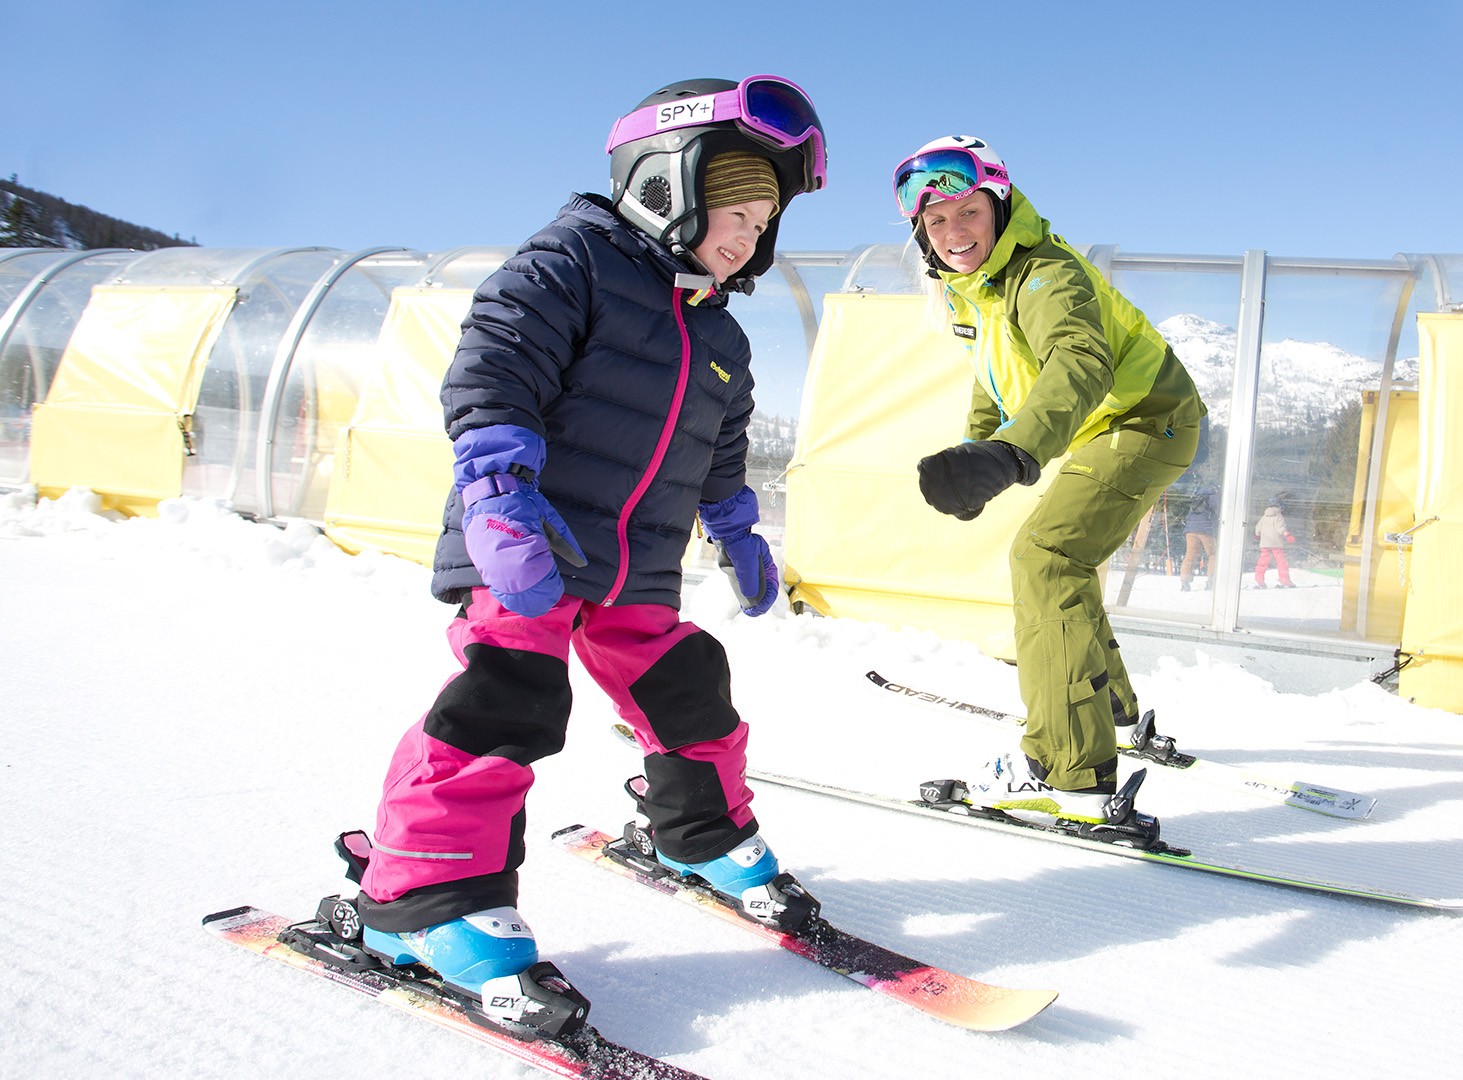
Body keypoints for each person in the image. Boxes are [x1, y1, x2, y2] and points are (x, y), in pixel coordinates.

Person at [324, 75, 828, 1032]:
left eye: (766, 218)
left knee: (690, 687)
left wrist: (734, 526)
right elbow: (497, 363)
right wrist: (496, 488)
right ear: (665, 182)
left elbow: (722, 444)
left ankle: (699, 835)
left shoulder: (719, 331)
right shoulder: (573, 263)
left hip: (638, 563)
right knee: (505, 704)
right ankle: (420, 900)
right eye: (737, 205)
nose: (750, 234)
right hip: (535, 543)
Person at [894, 136, 1207, 825]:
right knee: (1065, 556)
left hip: (1146, 415)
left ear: (999, 206)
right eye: (935, 222)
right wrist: (978, 457)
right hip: (1114, 422)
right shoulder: (973, 291)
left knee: (1046, 557)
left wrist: (1011, 456)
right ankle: (1113, 715)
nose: (952, 233)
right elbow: (994, 378)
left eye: (967, 212)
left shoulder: (1043, 272)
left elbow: (1078, 363)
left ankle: (1070, 771)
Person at [1180, 485, 1218, 591]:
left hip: (1190, 531)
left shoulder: (1197, 498)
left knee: (1190, 555)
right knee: (1213, 554)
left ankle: (1185, 581)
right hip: (1206, 530)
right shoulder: (1213, 498)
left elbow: (1189, 516)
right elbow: (1219, 513)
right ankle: (1211, 580)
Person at [1253, 496, 1294, 588]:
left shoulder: (1264, 517)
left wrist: (1256, 536)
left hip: (1264, 544)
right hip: (1276, 544)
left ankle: (1259, 579)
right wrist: (1287, 535)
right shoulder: (1279, 517)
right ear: (1280, 507)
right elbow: (1281, 528)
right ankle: (1285, 580)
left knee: (1262, 562)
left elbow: (1257, 528)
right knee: (1281, 562)